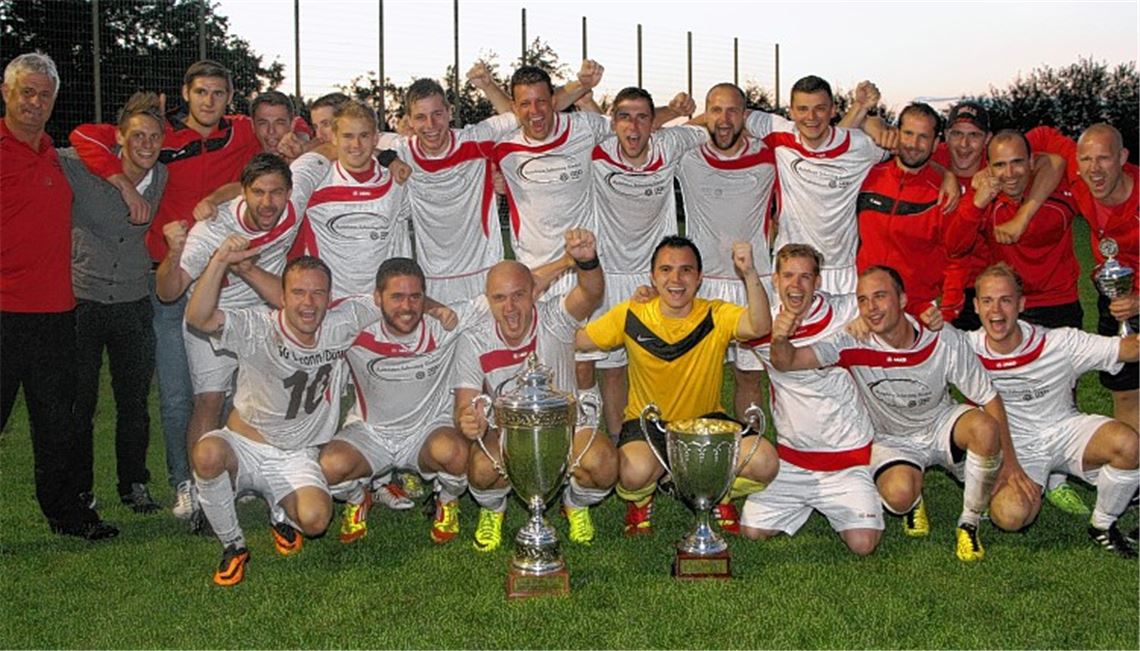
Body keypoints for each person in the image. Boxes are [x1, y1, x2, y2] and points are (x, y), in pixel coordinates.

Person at [70, 60, 267, 520]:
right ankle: (186, 482)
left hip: (227, 281)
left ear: (230, 98)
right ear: (185, 93)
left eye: (218, 93)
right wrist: (121, 182)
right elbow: (85, 136)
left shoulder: (242, 133)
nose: (209, 101)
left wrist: (217, 198)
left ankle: (230, 473)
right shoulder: (160, 136)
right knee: (179, 394)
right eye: (201, 92)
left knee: (235, 389)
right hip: (170, 277)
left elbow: (285, 140)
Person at [769, 266, 1011, 562]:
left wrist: (1010, 462)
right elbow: (789, 361)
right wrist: (780, 339)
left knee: (985, 428)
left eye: (880, 297)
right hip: (892, 439)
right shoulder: (851, 340)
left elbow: (989, 397)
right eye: (863, 300)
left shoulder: (942, 338)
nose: (871, 308)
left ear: (903, 299)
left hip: (939, 424)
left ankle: (969, 523)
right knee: (898, 498)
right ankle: (914, 498)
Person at [185, 249, 381, 586]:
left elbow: (398, 298)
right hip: (244, 445)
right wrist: (219, 261)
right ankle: (234, 545)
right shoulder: (257, 326)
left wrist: (438, 310)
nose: (309, 302)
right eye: (298, 292)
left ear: (329, 297)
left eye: (318, 293)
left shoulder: (342, 322)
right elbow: (198, 319)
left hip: (296, 454)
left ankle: (279, 513)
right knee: (206, 454)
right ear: (282, 296)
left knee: (317, 520)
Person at [156, 151, 328, 531]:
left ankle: (269, 481)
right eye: (259, 192)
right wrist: (173, 252)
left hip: (263, 315)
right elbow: (168, 292)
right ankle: (205, 495)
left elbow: (331, 148)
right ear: (245, 194)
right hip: (213, 315)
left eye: (276, 192)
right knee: (210, 400)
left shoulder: (292, 201)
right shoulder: (214, 231)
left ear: (289, 192)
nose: (268, 203)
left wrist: (388, 155)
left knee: (270, 398)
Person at [576, 235, 779, 536]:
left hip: (707, 426)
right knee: (632, 474)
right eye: (666, 270)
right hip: (649, 425)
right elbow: (577, 339)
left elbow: (760, 326)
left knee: (764, 461)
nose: (676, 279)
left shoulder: (715, 314)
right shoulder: (631, 313)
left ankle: (716, 491)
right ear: (653, 276)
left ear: (698, 278)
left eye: (686, 270)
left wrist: (749, 273)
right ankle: (643, 498)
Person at [1, 51, 116, 540]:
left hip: (54, 314)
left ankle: (67, 516)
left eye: (45, 94)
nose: (35, 102)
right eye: (26, 91)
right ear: (6, 93)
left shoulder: (54, 153)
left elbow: (107, 140)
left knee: (58, 426)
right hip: (3, 311)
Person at [454, 230, 618, 551]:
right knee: (482, 468)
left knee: (603, 464)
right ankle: (493, 510)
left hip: (567, 428)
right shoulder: (474, 338)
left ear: (534, 293)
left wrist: (586, 262)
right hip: (508, 433)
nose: (510, 307)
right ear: (488, 301)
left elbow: (591, 293)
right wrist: (469, 420)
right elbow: (465, 404)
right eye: (499, 298)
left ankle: (575, 503)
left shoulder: (555, 317)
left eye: (518, 295)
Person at [967, 263, 1139, 557]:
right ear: (975, 305)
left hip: (1065, 431)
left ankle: (1103, 524)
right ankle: (1038, 483)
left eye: (1006, 300)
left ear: (1021, 304)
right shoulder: (964, 348)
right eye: (987, 300)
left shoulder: (1058, 342)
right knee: (1010, 516)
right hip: (1017, 449)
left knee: (1128, 444)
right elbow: (910, 343)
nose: (996, 310)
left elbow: (1130, 349)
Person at [62, 91, 168, 514]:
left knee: (134, 403)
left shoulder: (163, 175)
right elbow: (80, 134)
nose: (146, 144)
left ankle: (134, 483)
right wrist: (121, 184)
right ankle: (80, 489)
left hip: (132, 300)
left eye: (154, 136)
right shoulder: (80, 168)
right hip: (82, 300)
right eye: (136, 135)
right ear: (119, 138)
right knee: (79, 403)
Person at [740, 244, 883, 555]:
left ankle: (861, 489)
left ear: (818, 282)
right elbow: (700, 316)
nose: (796, 284)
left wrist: (870, 319)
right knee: (751, 531)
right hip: (793, 459)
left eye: (806, 277)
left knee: (863, 545)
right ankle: (805, 502)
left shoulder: (846, 311)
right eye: (788, 275)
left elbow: (893, 307)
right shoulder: (759, 325)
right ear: (775, 280)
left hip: (849, 457)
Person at [320, 258, 472, 545]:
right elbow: (306, 312)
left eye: (416, 297)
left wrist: (578, 263)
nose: (407, 306)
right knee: (330, 466)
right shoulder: (354, 330)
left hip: (426, 431)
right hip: (371, 432)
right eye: (396, 297)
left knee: (455, 453)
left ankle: (448, 500)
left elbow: (501, 302)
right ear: (377, 298)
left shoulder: (443, 326)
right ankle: (358, 498)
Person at [584, 86, 706, 437]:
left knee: (666, 363)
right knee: (611, 369)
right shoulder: (595, 151)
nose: (633, 128)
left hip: (659, 277)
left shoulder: (670, 144)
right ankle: (621, 443)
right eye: (624, 117)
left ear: (655, 124)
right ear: (612, 122)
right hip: (608, 274)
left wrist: (679, 109)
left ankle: (675, 441)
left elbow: (718, 120)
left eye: (642, 118)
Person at [676, 82, 777, 421]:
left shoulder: (769, 153)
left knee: (748, 375)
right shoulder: (686, 154)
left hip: (753, 281)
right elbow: (647, 137)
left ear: (745, 116)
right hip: (703, 284)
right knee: (697, 375)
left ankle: (749, 451)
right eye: (716, 110)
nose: (724, 119)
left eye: (733, 111)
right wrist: (696, 121)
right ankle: (698, 454)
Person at [1028, 123, 1138, 433]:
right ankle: (1133, 475)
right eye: (1086, 159)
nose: (1094, 169)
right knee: (1126, 391)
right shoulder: (1079, 175)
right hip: (1114, 298)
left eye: (1103, 159)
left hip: (1137, 298)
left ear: (1122, 157)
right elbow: (1041, 135)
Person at [855, 102, 984, 321]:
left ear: (935, 144)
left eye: (923, 137)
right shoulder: (867, 175)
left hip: (918, 311)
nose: (914, 144)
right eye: (908, 134)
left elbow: (957, 258)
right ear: (896, 134)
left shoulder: (945, 194)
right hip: (865, 307)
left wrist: (947, 309)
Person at [290, 100, 410, 297]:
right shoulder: (316, 179)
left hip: (381, 303)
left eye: (364, 136)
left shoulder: (396, 179)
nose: (356, 145)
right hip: (330, 302)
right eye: (347, 136)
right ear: (335, 139)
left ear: (375, 138)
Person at [972, 130, 1083, 329]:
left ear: (1032, 161)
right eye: (1000, 164)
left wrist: (1021, 218)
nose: (1009, 172)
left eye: (1017, 162)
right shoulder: (987, 196)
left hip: (1060, 303)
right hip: (1009, 304)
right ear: (988, 167)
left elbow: (1055, 161)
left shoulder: (1057, 189)